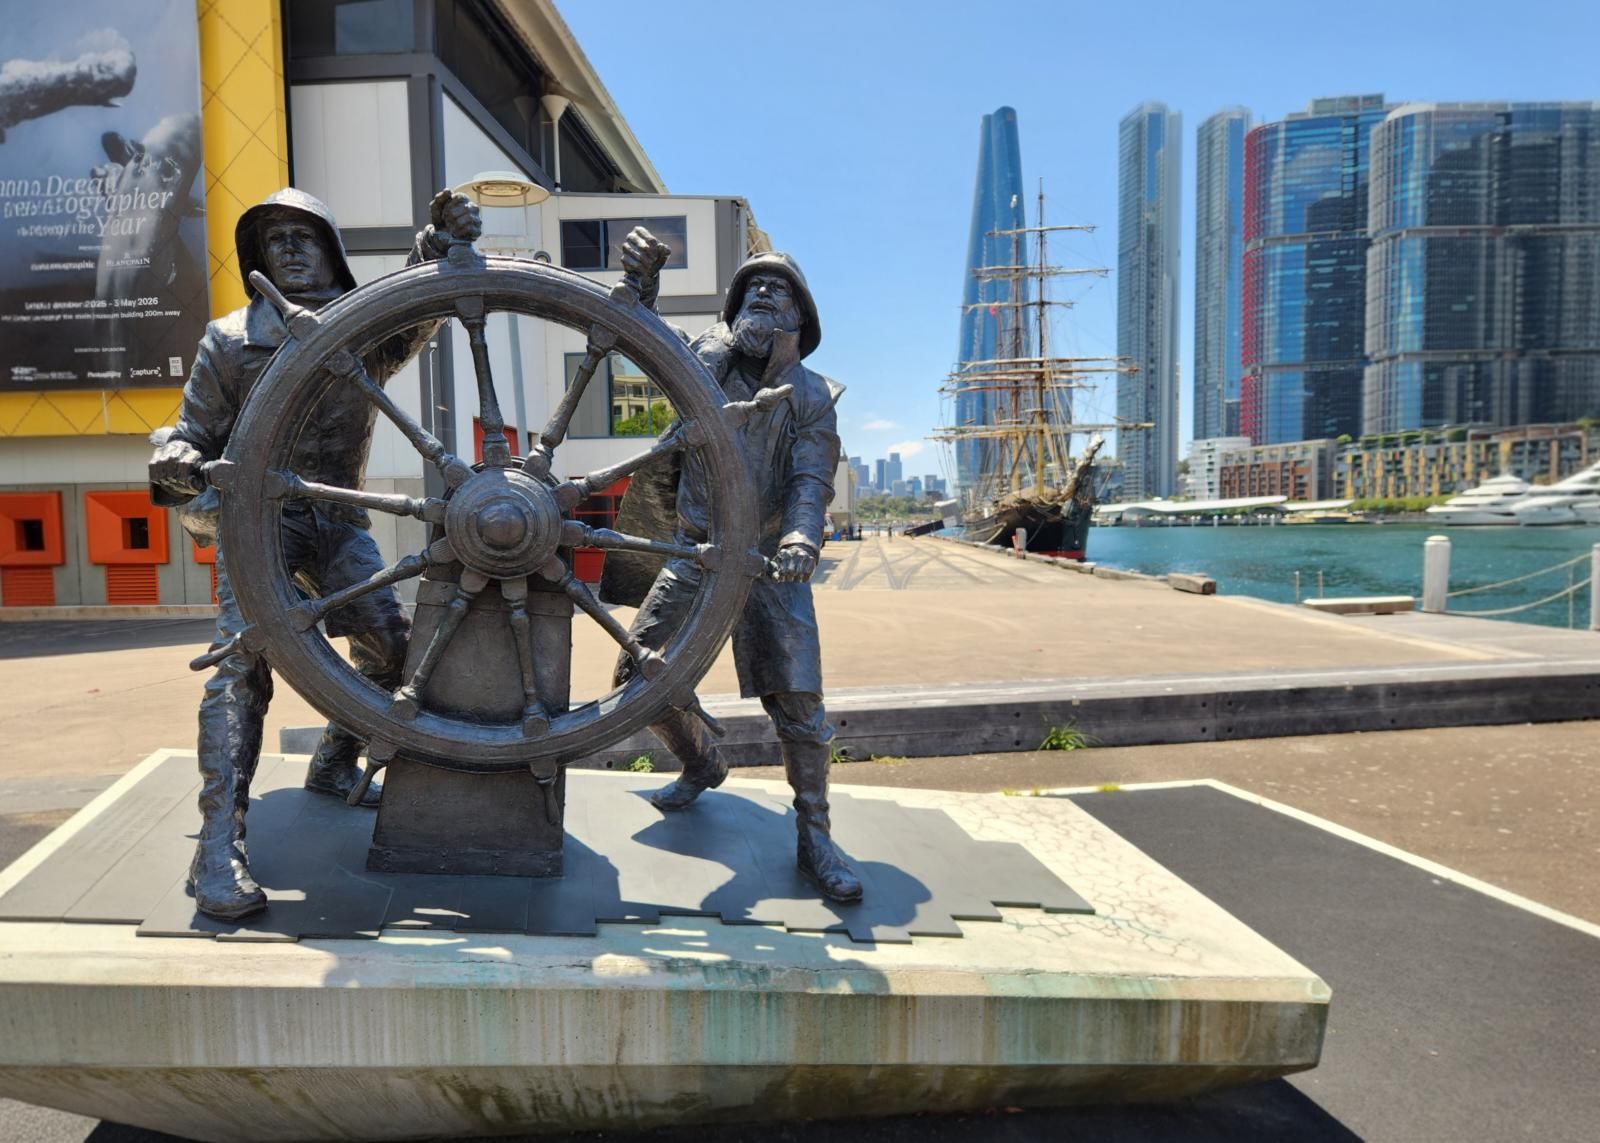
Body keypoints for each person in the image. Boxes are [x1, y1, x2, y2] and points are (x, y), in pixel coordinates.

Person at [148, 187, 482, 921]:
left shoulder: (362, 328)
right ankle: (218, 845)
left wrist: (436, 245)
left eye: (305, 236)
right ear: (257, 258)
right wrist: (174, 456)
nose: (290, 249)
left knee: (392, 648)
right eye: (275, 240)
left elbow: (416, 310)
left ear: (332, 249)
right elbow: (189, 434)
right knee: (240, 666)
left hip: (337, 519)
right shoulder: (229, 340)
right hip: (257, 525)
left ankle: (334, 759)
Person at [612, 228, 861, 903]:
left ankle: (815, 834)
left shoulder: (813, 395)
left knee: (799, 703)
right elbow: (647, 340)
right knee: (637, 676)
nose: (764, 294)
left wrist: (802, 540)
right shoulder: (704, 363)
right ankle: (703, 762)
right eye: (753, 288)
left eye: (779, 290)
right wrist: (644, 284)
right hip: (696, 555)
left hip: (770, 563)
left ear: (800, 316)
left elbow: (811, 480)